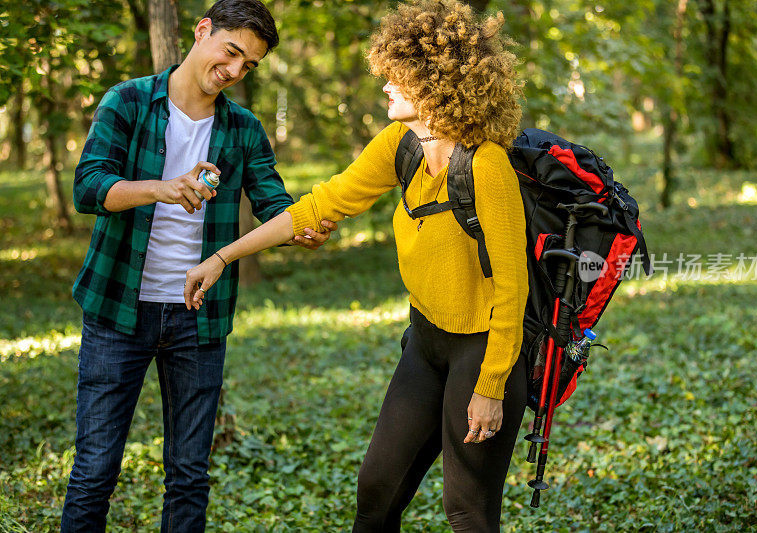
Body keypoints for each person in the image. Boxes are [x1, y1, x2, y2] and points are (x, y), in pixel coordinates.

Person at [185, 0, 526, 530]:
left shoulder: (488, 165)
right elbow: (321, 204)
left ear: (435, 82)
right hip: (425, 339)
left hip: (482, 351)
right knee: (376, 492)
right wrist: (223, 257)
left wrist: (491, 385)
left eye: (398, 77)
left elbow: (512, 285)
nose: (386, 85)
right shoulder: (401, 145)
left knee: (467, 511)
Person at [62, 0, 337, 530]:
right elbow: (88, 185)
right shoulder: (129, 101)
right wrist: (160, 188)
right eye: (232, 52)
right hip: (119, 310)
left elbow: (273, 203)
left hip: (198, 317)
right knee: (95, 469)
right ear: (202, 30)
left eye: (249, 65)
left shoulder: (243, 128)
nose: (234, 71)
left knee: (188, 473)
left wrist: (300, 227)